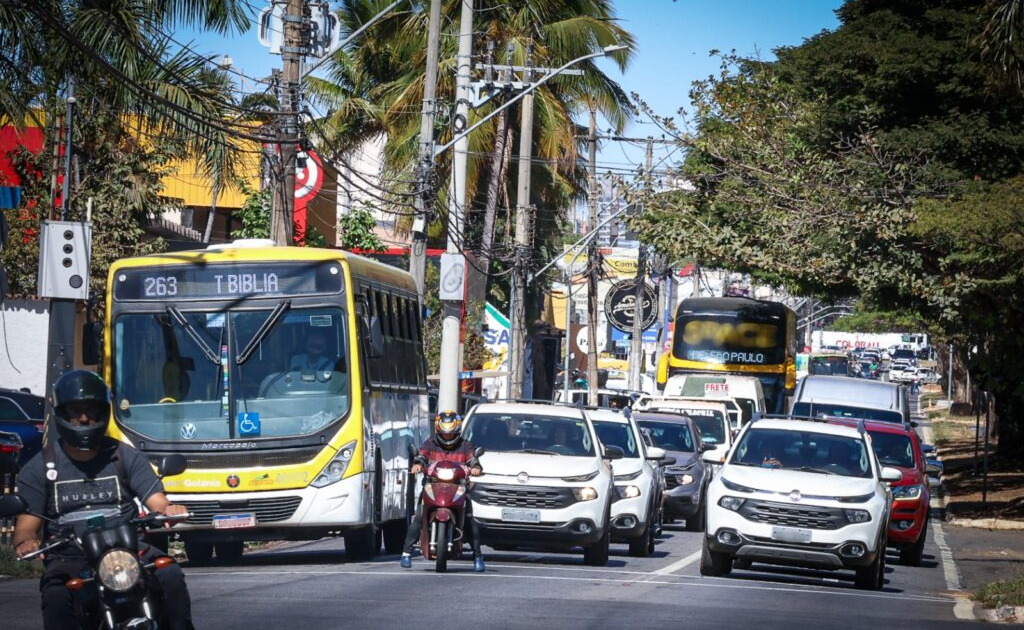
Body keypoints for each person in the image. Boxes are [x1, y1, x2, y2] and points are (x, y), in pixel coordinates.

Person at [12, 370, 194, 630]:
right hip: (70, 557)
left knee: (170, 573)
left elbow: (157, 501)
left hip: (128, 551)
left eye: (92, 410)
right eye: (75, 410)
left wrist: (170, 509)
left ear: (103, 411)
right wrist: (25, 542)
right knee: (57, 595)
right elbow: (26, 526)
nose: (84, 418)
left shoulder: (123, 456)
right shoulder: (40, 467)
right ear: (61, 413)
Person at [400, 411, 485, 572]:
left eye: (451, 434)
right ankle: (406, 553)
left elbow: (472, 458)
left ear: (457, 431)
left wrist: (475, 467)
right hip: (433, 485)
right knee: (418, 516)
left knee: (469, 519)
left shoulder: (465, 445)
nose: (447, 437)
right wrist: (417, 463)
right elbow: (422, 456)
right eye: (444, 434)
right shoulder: (430, 443)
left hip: (458, 487)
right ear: (438, 431)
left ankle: (478, 556)